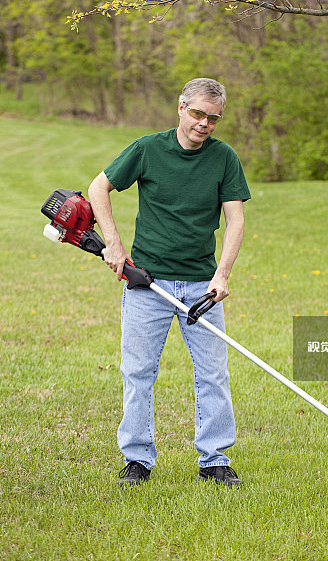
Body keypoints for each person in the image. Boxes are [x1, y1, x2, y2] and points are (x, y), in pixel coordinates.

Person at [88, 78, 250, 488]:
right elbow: (98, 187)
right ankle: (137, 459)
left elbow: (236, 220)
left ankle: (214, 460)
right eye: (197, 113)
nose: (204, 124)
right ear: (181, 108)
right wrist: (114, 243)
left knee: (213, 373)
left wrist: (222, 275)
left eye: (213, 118)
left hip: (202, 287)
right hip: (147, 284)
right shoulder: (147, 149)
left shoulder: (224, 158)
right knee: (138, 372)